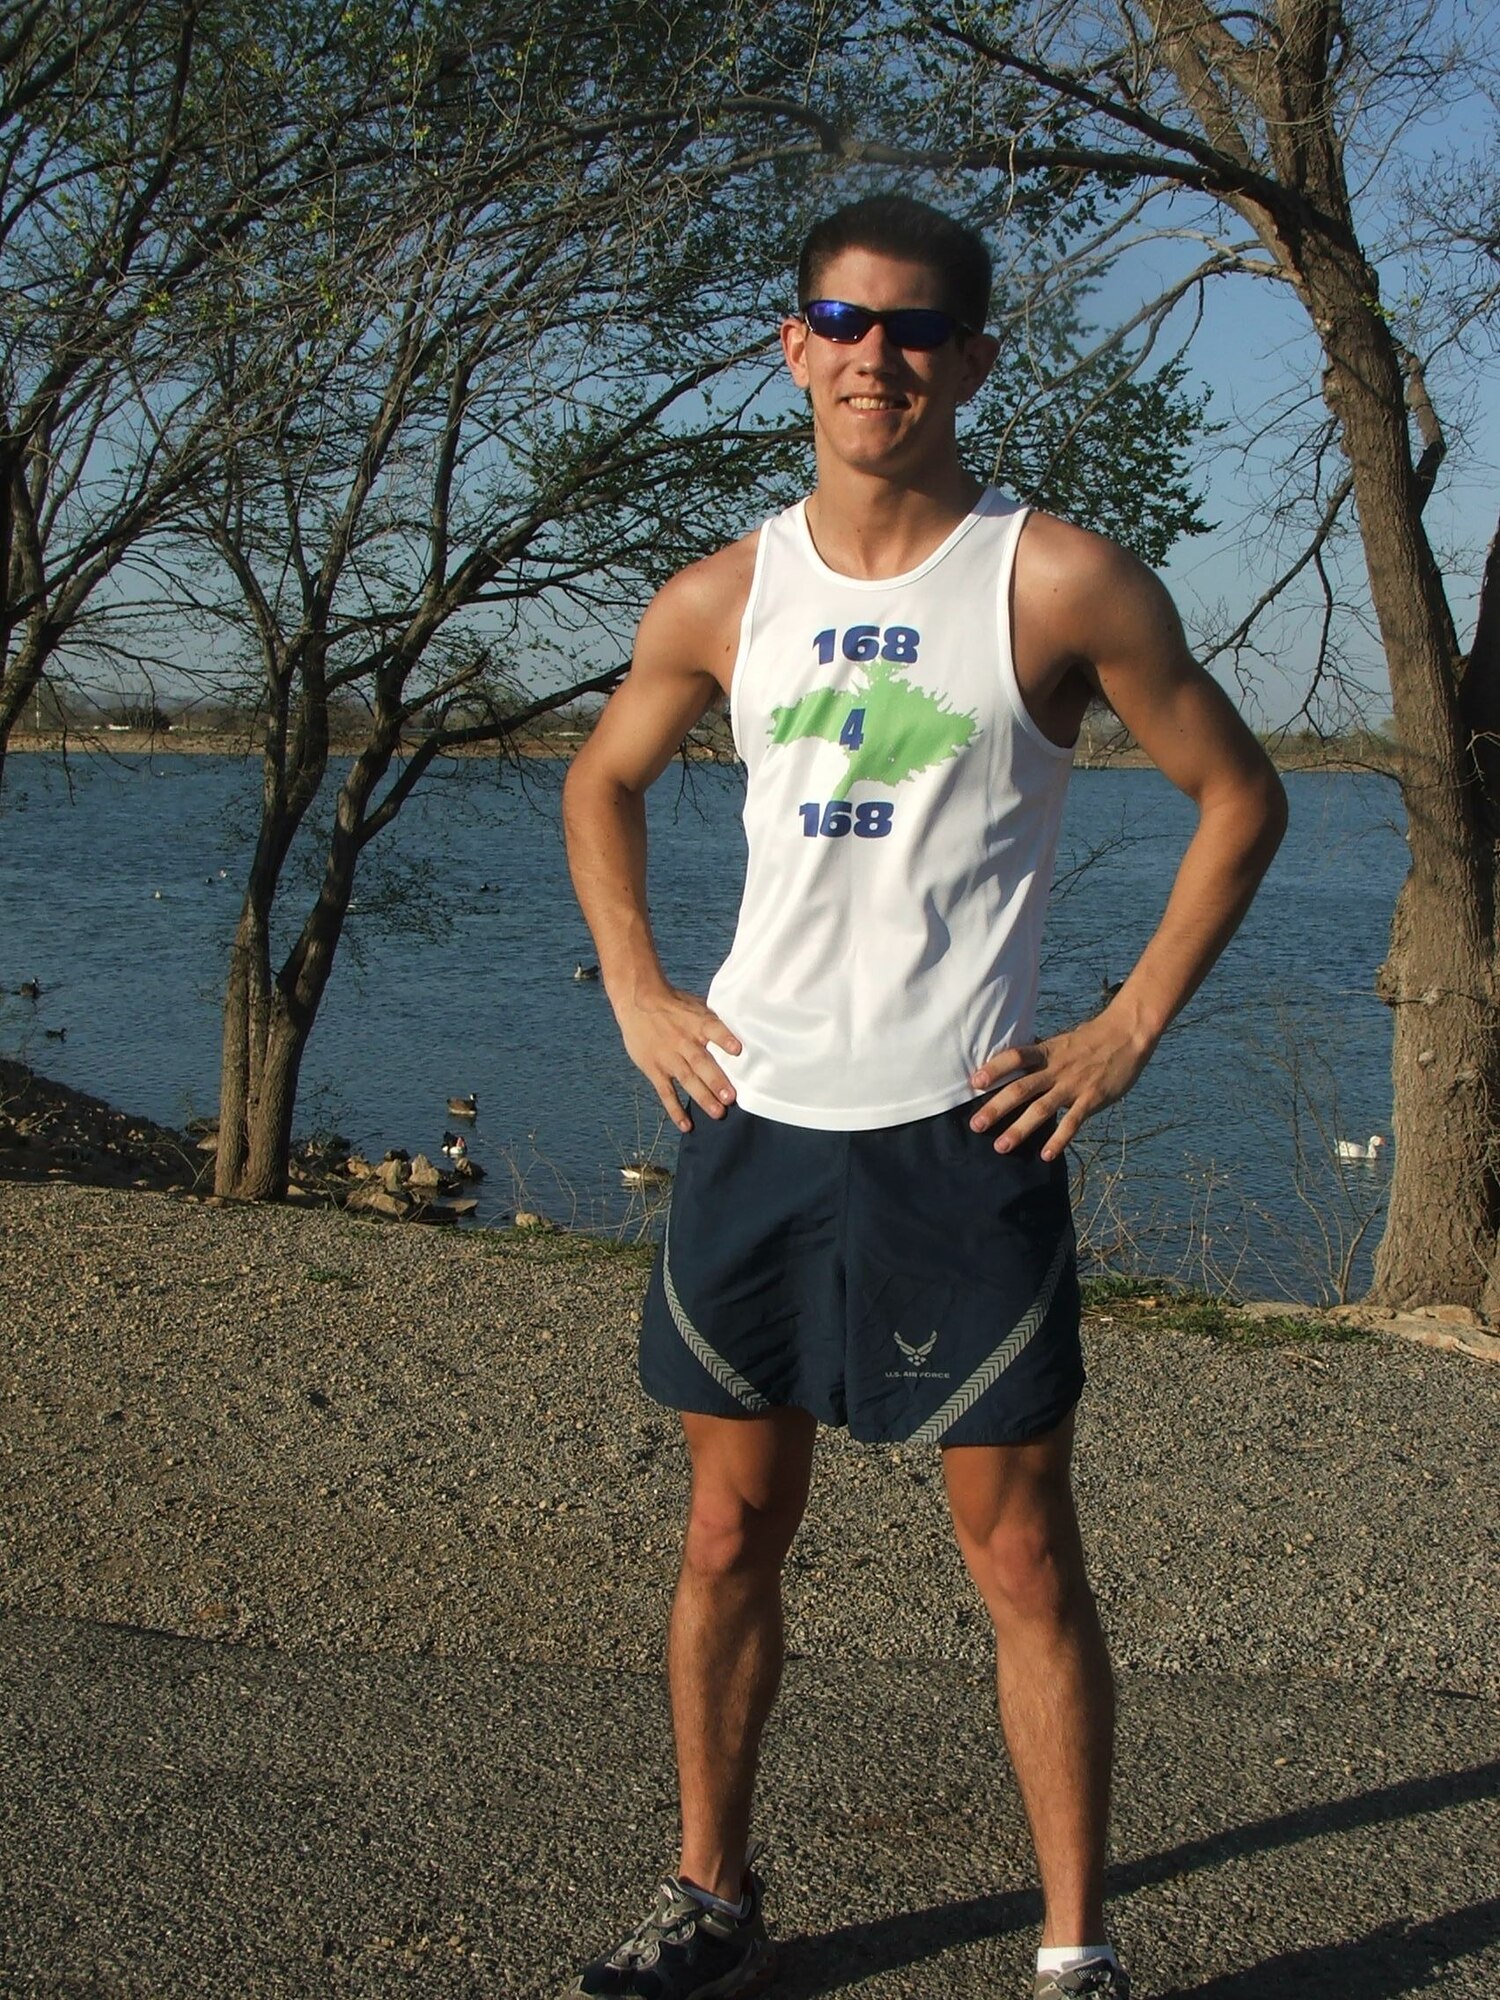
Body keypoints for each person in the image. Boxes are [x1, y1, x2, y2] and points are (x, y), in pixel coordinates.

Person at [560, 193, 1286, 2000]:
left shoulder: (1056, 579)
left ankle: (1071, 1953)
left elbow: (1243, 797)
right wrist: (643, 989)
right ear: (791, 346)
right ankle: (711, 1898)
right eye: (842, 321)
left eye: (915, 329)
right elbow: (601, 781)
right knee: (731, 1527)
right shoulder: (721, 596)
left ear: (970, 356)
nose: (875, 356)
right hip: (756, 1126)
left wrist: (1121, 1032)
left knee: (1023, 1550)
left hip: (962, 1137)